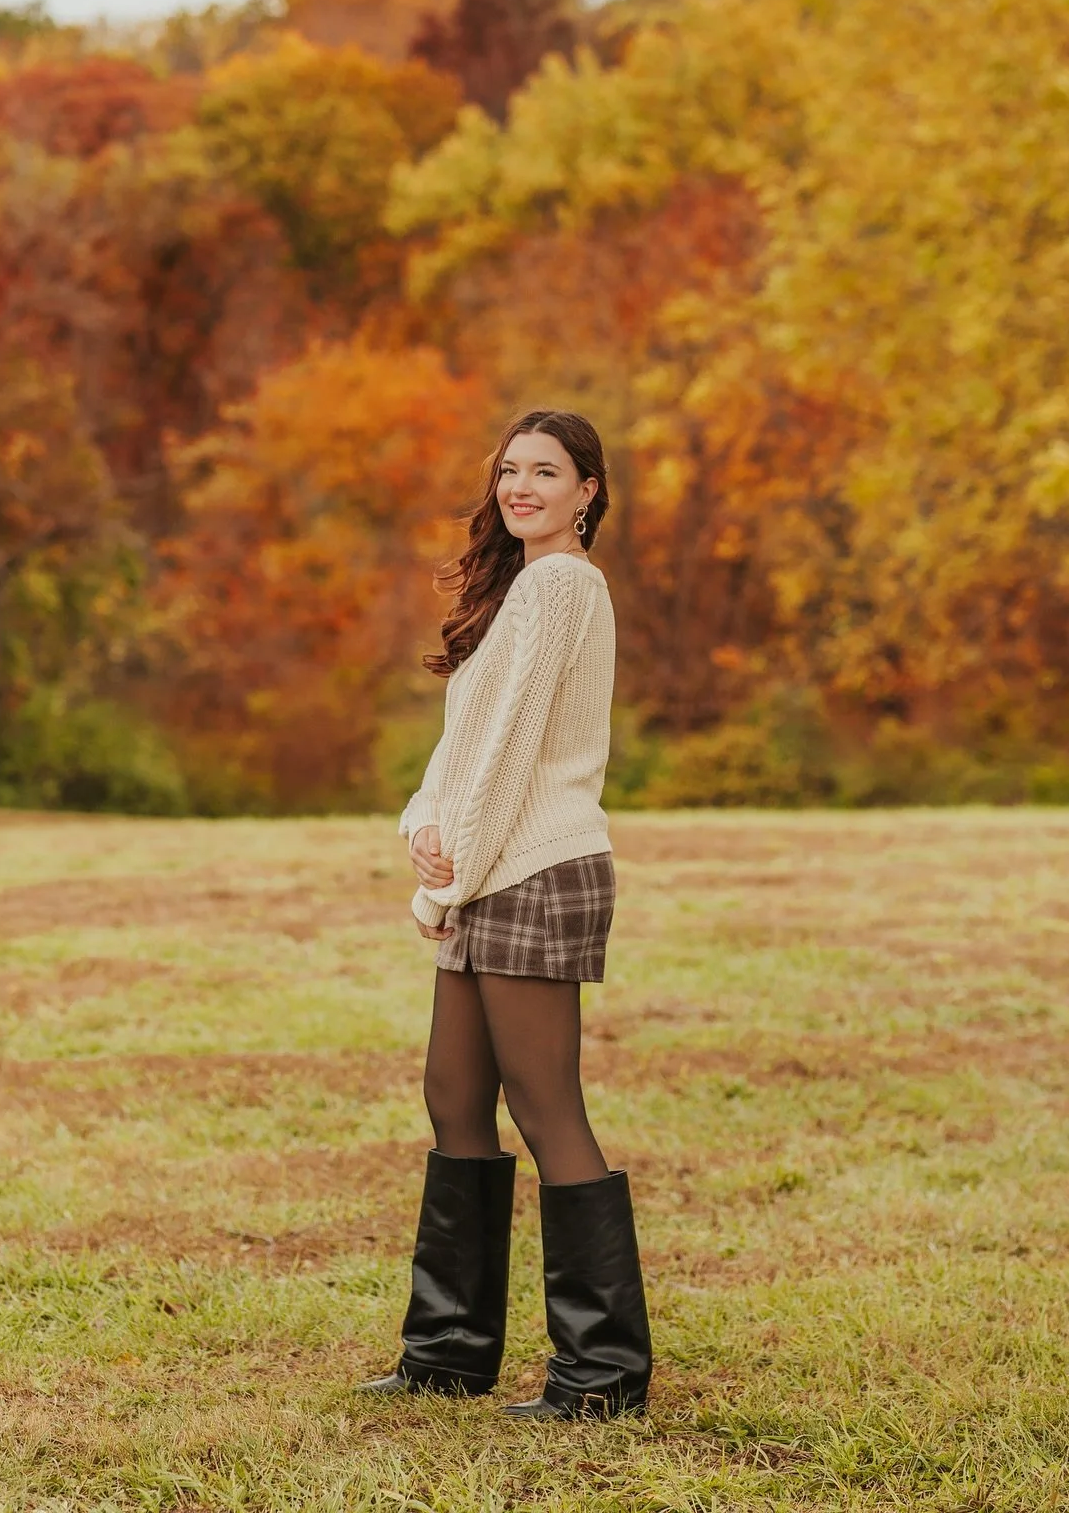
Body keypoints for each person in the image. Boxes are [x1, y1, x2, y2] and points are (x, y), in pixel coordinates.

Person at [360, 409, 652, 1420]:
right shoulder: (523, 591)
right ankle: (448, 1353)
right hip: (489, 869)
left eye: (548, 472)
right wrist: (422, 826)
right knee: (453, 1093)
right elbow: (463, 747)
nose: (522, 487)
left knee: (546, 1107)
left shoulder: (563, 585)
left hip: (534, 869)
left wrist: (441, 886)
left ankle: (603, 1375)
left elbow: (511, 756)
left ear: (589, 493)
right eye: (510, 471)